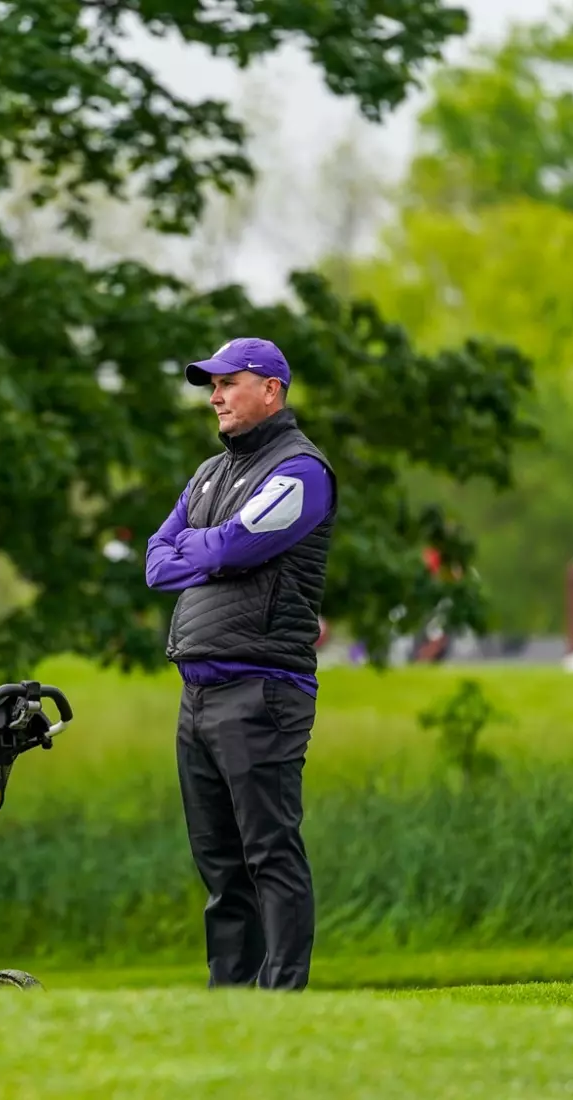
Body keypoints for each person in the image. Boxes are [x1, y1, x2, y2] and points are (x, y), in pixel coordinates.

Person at [143, 336, 337, 992]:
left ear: (271, 390)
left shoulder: (301, 471)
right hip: (197, 696)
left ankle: (281, 996)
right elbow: (156, 560)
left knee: (269, 854)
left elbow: (229, 550)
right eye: (211, 386)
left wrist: (206, 546)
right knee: (221, 865)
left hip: (261, 692)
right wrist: (213, 546)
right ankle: (230, 1000)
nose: (215, 396)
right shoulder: (208, 474)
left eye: (229, 382)